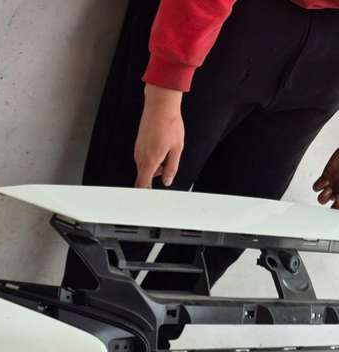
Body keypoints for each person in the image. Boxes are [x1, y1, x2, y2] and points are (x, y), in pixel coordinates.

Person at [63, 0, 339, 292]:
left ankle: (146, 324)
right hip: (224, 22)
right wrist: (166, 87)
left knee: (218, 242)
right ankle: (82, 319)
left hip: (326, 66)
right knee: (127, 221)